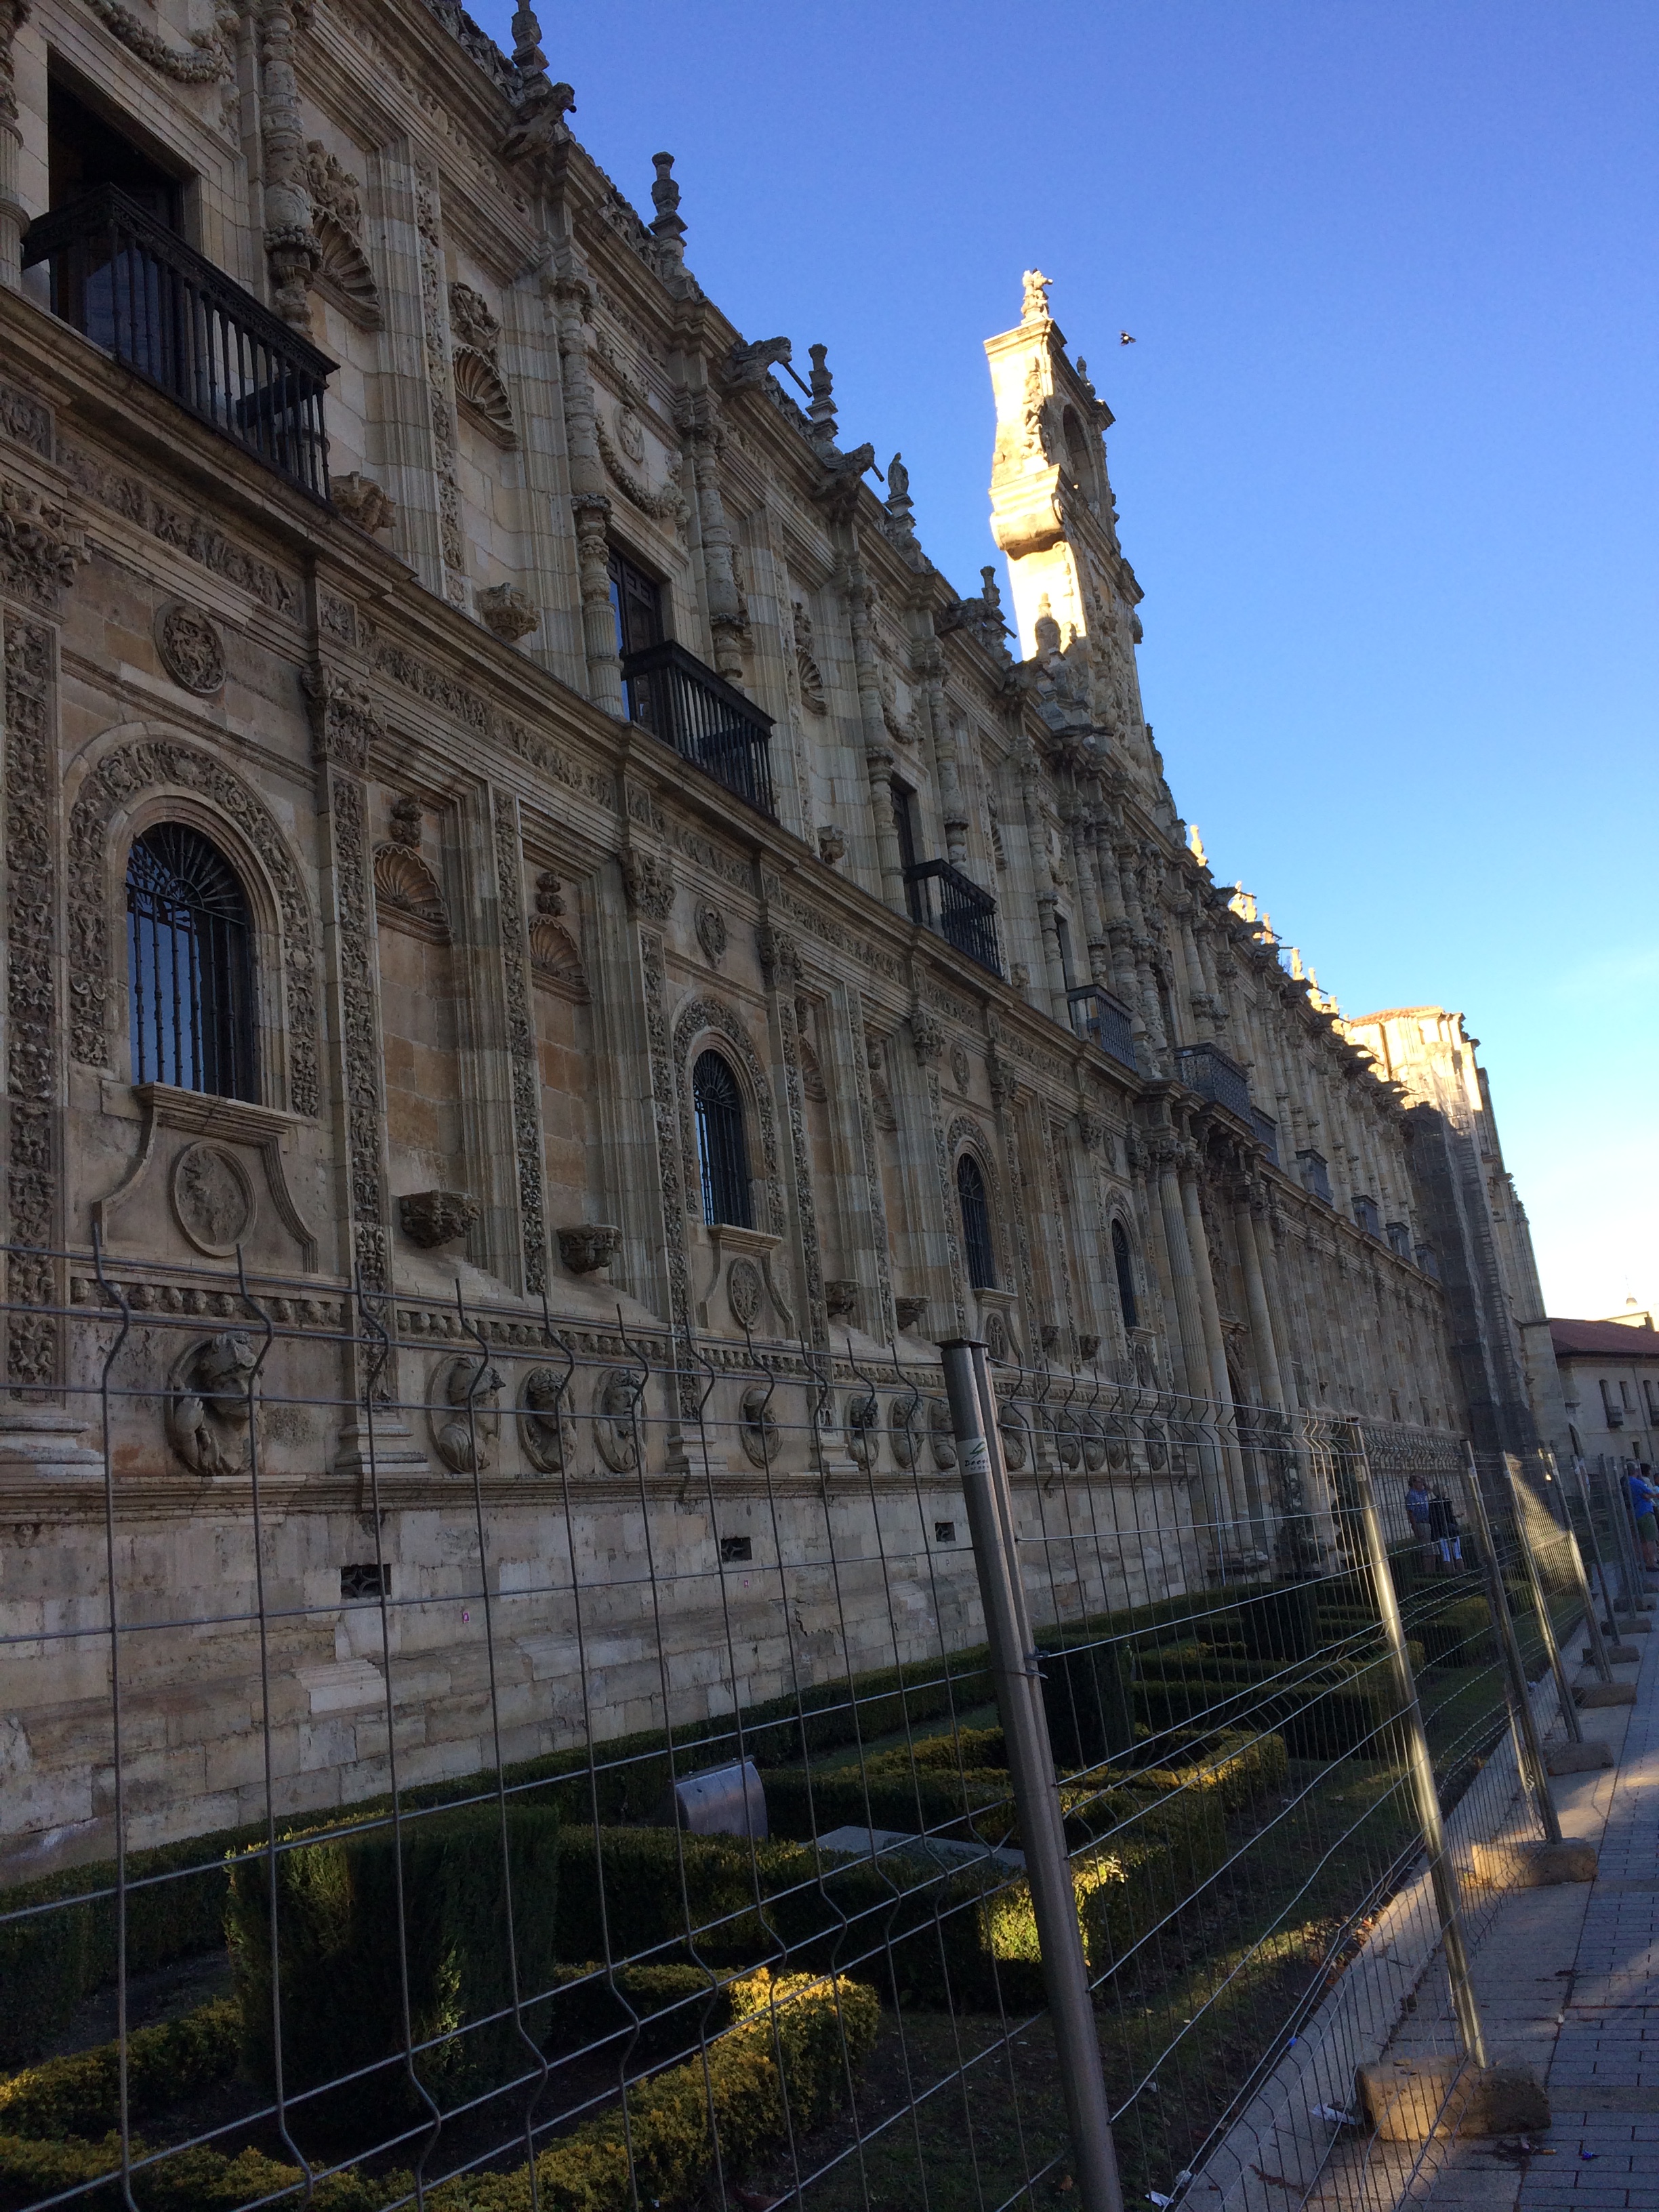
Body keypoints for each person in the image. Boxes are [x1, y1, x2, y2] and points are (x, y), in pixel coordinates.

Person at [1627, 1463, 1659, 1573]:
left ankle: (1645, 1562)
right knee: (1651, 1538)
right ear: (1635, 1471)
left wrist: (1647, 1496)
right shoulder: (1637, 1482)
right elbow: (1652, 1494)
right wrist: (1649, 1496)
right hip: (1646, 1511)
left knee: (1642, 1540)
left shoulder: (1626, 1482)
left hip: (1636, 1512)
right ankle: (1652, 1562)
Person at [1427, 1490, 1463, 1572]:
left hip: (1439, 1530)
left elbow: (1432, 1518)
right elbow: (1449, 1516)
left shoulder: (1432, 1503)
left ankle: (1449, 1573)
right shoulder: (1447, 1502)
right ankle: (1462, 1571)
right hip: (1451, 1530)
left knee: (1446, 1555)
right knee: (1458, 1553)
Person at [1405, 1478, 1434, 1571]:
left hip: (1427, 1522)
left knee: (1432, 1551)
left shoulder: (1420, 1493)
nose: (1422, 1484)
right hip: (1420, 1523)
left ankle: (1432, 1572)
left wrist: (1424, 1483)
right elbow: (1410, 1513)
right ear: (1414, 1483)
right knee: (1427, 1551)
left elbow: (1429, 1490)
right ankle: (1428, 1572)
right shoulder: (1411, 1496)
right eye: (1419, 1482)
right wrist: (1415, 1527)